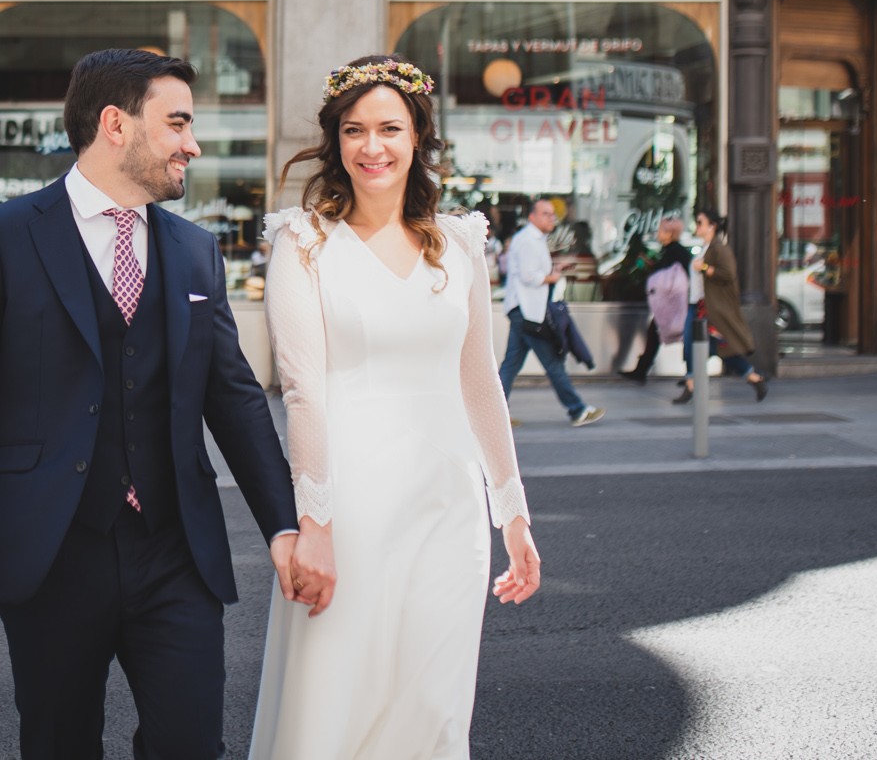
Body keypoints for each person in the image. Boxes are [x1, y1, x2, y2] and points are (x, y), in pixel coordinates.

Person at [0, 49, 301, 760]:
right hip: (51, 549)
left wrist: (285, 525)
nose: (193, 143)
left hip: (175, 549)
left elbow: (234, 396)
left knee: (189, 745)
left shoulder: (193, 251)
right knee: (59, 743)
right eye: (177, 121)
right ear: (115, 123)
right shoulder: (2, 234)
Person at [247, 56, 539, 757]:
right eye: (354, 129)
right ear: (336, 141)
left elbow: (480, 384)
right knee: (335, 697)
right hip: (348, 504)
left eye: (388, 128)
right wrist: (312, 521)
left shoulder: (459, 242)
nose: (371, 146)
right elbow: (302, 390)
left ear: (417, 137)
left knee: (434, 709)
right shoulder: (303, 241)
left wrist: (514, 514)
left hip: (447, 506)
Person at [496, 199, 604, 426]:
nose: (551, 218)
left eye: (553, 215)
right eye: (546, 214)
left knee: (511, 364)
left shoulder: (533, 240)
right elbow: (528, 276)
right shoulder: (528, 241)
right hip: (528, 312)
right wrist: (552, 277)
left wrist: (553, 270)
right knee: (552, 363)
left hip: (525, 310)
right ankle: (577, 409)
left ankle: (494, 416)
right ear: (533, 216)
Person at [678, 207, 768, 404]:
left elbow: (728, 275)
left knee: (709, 348)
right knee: (693, 346)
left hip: (709, 309)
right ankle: (752, 378)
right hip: (696, 305)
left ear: (712, 226)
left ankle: (752, 377)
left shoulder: (719, 249)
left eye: (700, 222)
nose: (697, 226)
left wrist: (702, 267)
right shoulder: (704, 248)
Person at [623, 217, 690, 383]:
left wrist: (649, 267)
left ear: (670, 233)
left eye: (661, 230)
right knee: (657, 332)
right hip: (672, 304)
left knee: (688, 336)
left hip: (675, 304)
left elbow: (667, 274)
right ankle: (642, 370)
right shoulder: (671, 250)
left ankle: (692, 374)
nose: (658, 233)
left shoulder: (675, 251)